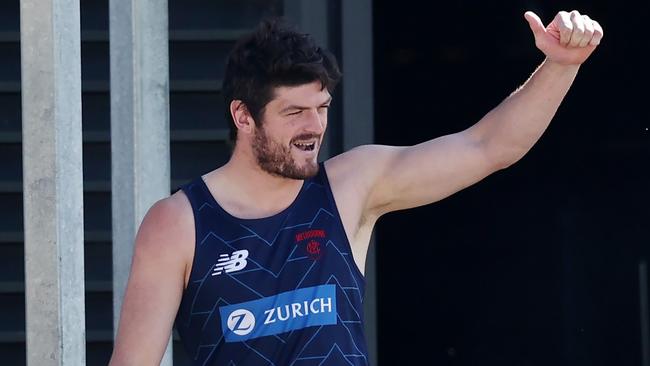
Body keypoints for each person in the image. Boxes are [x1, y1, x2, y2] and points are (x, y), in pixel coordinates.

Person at [109, 9, 603, 366]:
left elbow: (488, 147)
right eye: (294, 112)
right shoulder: (178, 222)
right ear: (243, 115)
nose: (313, 127)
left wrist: (561, 66)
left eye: (321, 107)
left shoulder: (350, 186)